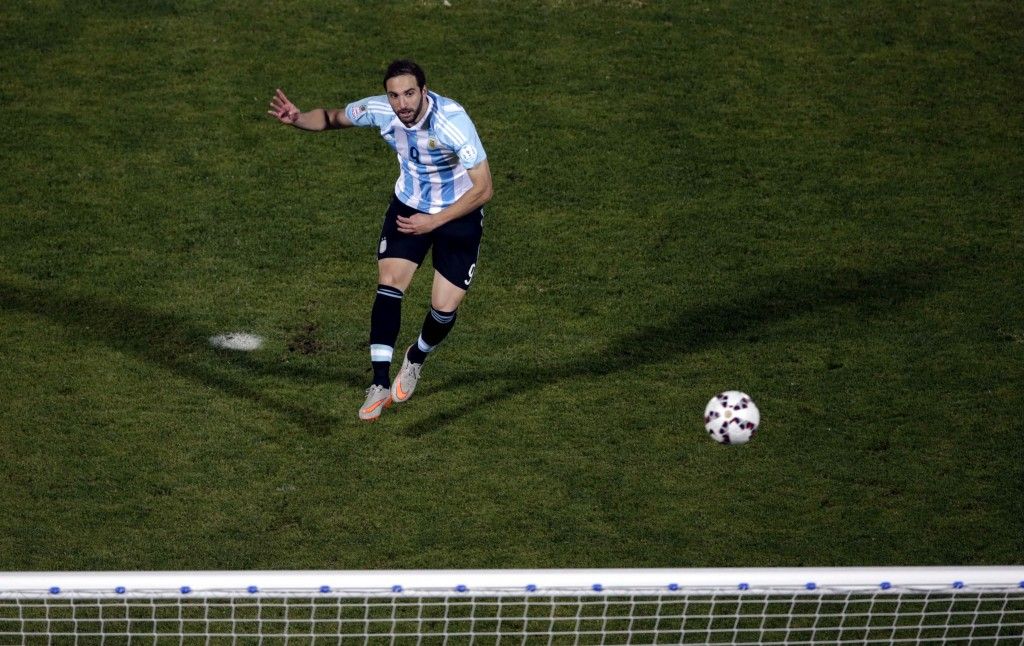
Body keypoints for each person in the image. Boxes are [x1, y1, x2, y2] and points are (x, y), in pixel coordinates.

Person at [268, 60, 493, 421]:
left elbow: (484, 188)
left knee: (444, 310)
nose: (401, 104)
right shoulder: (379, 110)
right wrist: (297, 119)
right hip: (408, 206)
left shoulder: (452, 121)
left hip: (458, 214)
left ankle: (416, 357)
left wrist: (433, 222)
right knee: (389, 283)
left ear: (423, 91)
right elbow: (330, 117)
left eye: (408, 94)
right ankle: (379, 383)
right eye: (394, 95)